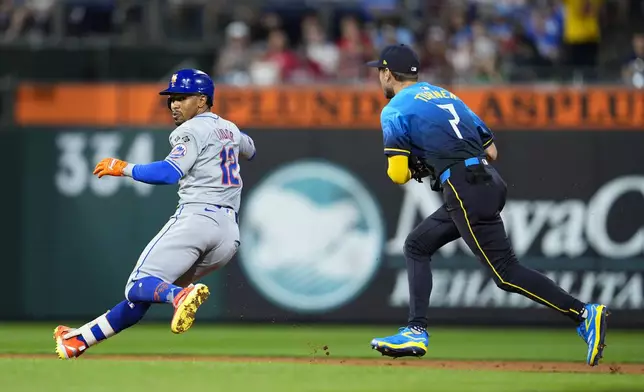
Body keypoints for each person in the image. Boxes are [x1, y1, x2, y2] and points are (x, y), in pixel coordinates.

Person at [365, 45, 608, 367]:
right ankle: (415, 329)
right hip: (487, 181)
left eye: (378, 73)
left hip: (464, 188)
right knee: (417, 245)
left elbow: (397, 174)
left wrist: (419, 163)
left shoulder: (395, 109)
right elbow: (491, 151)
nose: (378, 79)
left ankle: (582, 312)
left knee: (505, 273)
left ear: (386, 73)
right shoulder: (445, 95)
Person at [53, 69, 256, 359]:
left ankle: (179, 296)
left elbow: (168, 173)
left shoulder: (190, 130)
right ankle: (78, 340)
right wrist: (229, 137)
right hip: (228, 237)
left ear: (201, 101)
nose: (174, 104)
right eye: (171, 98)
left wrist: (123, 167)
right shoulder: (230, 130)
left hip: (197, 220)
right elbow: (251, 149)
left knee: (139, 284)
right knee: (144, 293)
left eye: (181, 98)